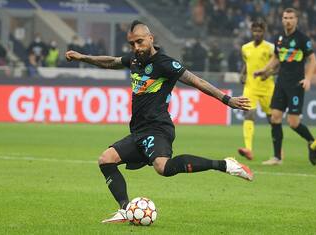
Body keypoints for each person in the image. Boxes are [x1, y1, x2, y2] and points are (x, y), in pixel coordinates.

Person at [65, 20, 253, 224]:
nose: (136, 48)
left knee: (162, 167)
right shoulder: (135, 60)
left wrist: (227, 99)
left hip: (158, 128)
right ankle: (126, 209)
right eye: (132, 44)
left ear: (150, 38)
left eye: (140, 42)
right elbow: (111, 61)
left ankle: (224, 165)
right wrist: (83, 57)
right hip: (138, 131)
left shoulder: (165, 63)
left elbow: (198, 81)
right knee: (106, 159)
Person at [254, 8, 316, 166]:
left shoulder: (302, 39)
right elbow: (276, 58)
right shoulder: (279, 38)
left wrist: (308, 79)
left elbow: (313, 60)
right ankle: (277, 157)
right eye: (285, 17)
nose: (287, 20)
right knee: (275, 117)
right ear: (282, 20)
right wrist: (264, 70)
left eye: (290, 18)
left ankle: (313, 142)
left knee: (293, 123)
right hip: (281, 82)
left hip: (296, 84)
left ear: (296, 20)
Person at [238, 20, 276, 160]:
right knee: (249, 115)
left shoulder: (270, 48)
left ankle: (278, 151)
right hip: (250, 87)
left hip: (267, 88)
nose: (257, 33)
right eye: (255, 31)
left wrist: (269, 73)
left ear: (264, 32)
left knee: (273, 120)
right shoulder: (245, 48)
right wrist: (242, 74)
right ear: (251, 31)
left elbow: (278, 65)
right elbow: (247, 63)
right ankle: (248, 149)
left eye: (260, 31)